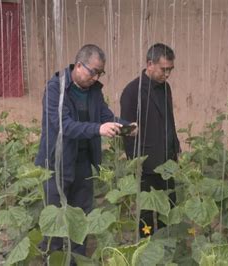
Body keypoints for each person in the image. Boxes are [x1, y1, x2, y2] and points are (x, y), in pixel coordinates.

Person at [35, 44, 137, 256]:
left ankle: (78, 260)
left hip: (82, 163)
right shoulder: (56, 89)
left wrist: (126, 127)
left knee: (80, 222)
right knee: (55, 224)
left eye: (100, 73)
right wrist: (98, 129)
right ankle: (52, 259)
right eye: (94, 72)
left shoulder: (94, 93)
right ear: (79, 65)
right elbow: (64, 125)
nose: (96, 77)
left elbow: (105, 117)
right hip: (56, 164)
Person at [120, 43, 180, 237]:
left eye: (170, 69)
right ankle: (147, 247)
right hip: (146, 163)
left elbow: (169, 119)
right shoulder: (132, 91)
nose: (167, 74)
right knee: (147, 211)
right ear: (150, 64)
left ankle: (167, 243)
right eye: (164, 69)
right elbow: (127, 132)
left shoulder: (165, 88)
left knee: (169, 207)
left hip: (168, 161)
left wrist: (175, 145)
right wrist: (135, 161)